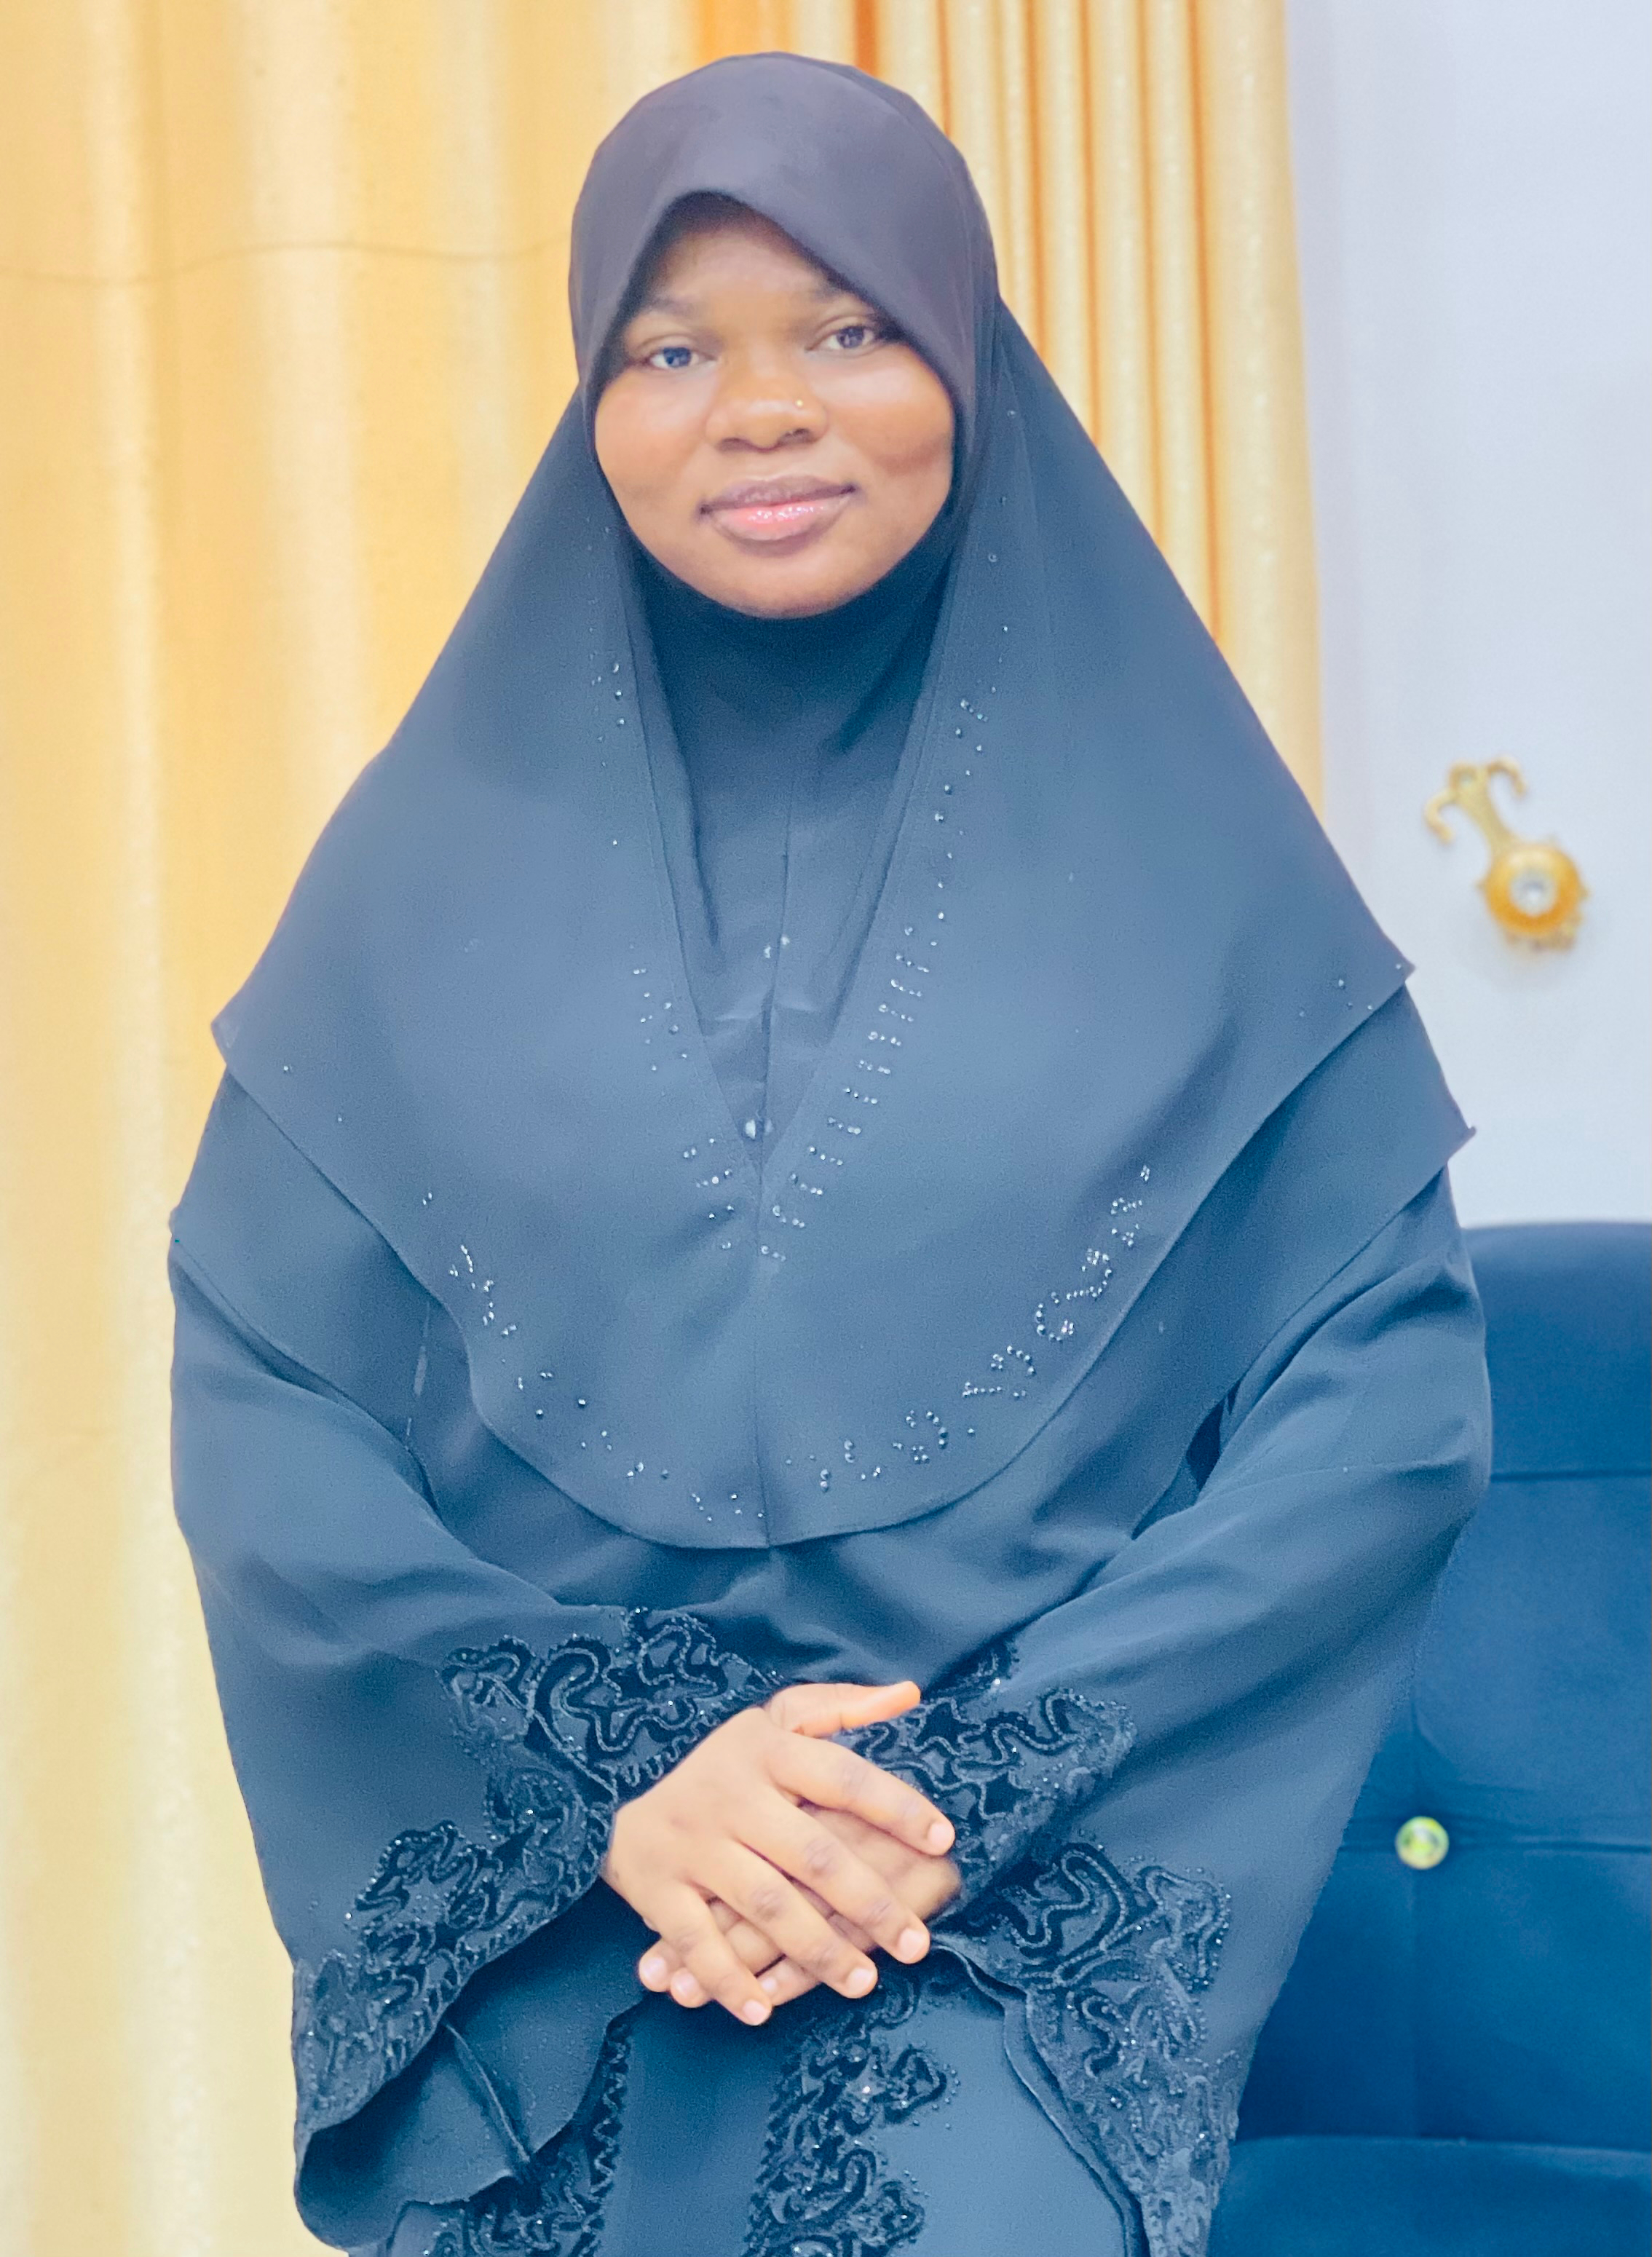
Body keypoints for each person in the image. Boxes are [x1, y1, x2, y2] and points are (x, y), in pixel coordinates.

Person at [168, 53, 1490, 2257]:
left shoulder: (1198, 873)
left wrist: (948, 1799)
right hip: (572, 1919)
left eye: (849, 326)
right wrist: (618, 1776)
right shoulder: (417, 888)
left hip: (1006, 1920)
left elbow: (1382, 1416)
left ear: (964, 359)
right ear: (593, 406)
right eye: (670, 350)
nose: (760, 409)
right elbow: (269, 1407)